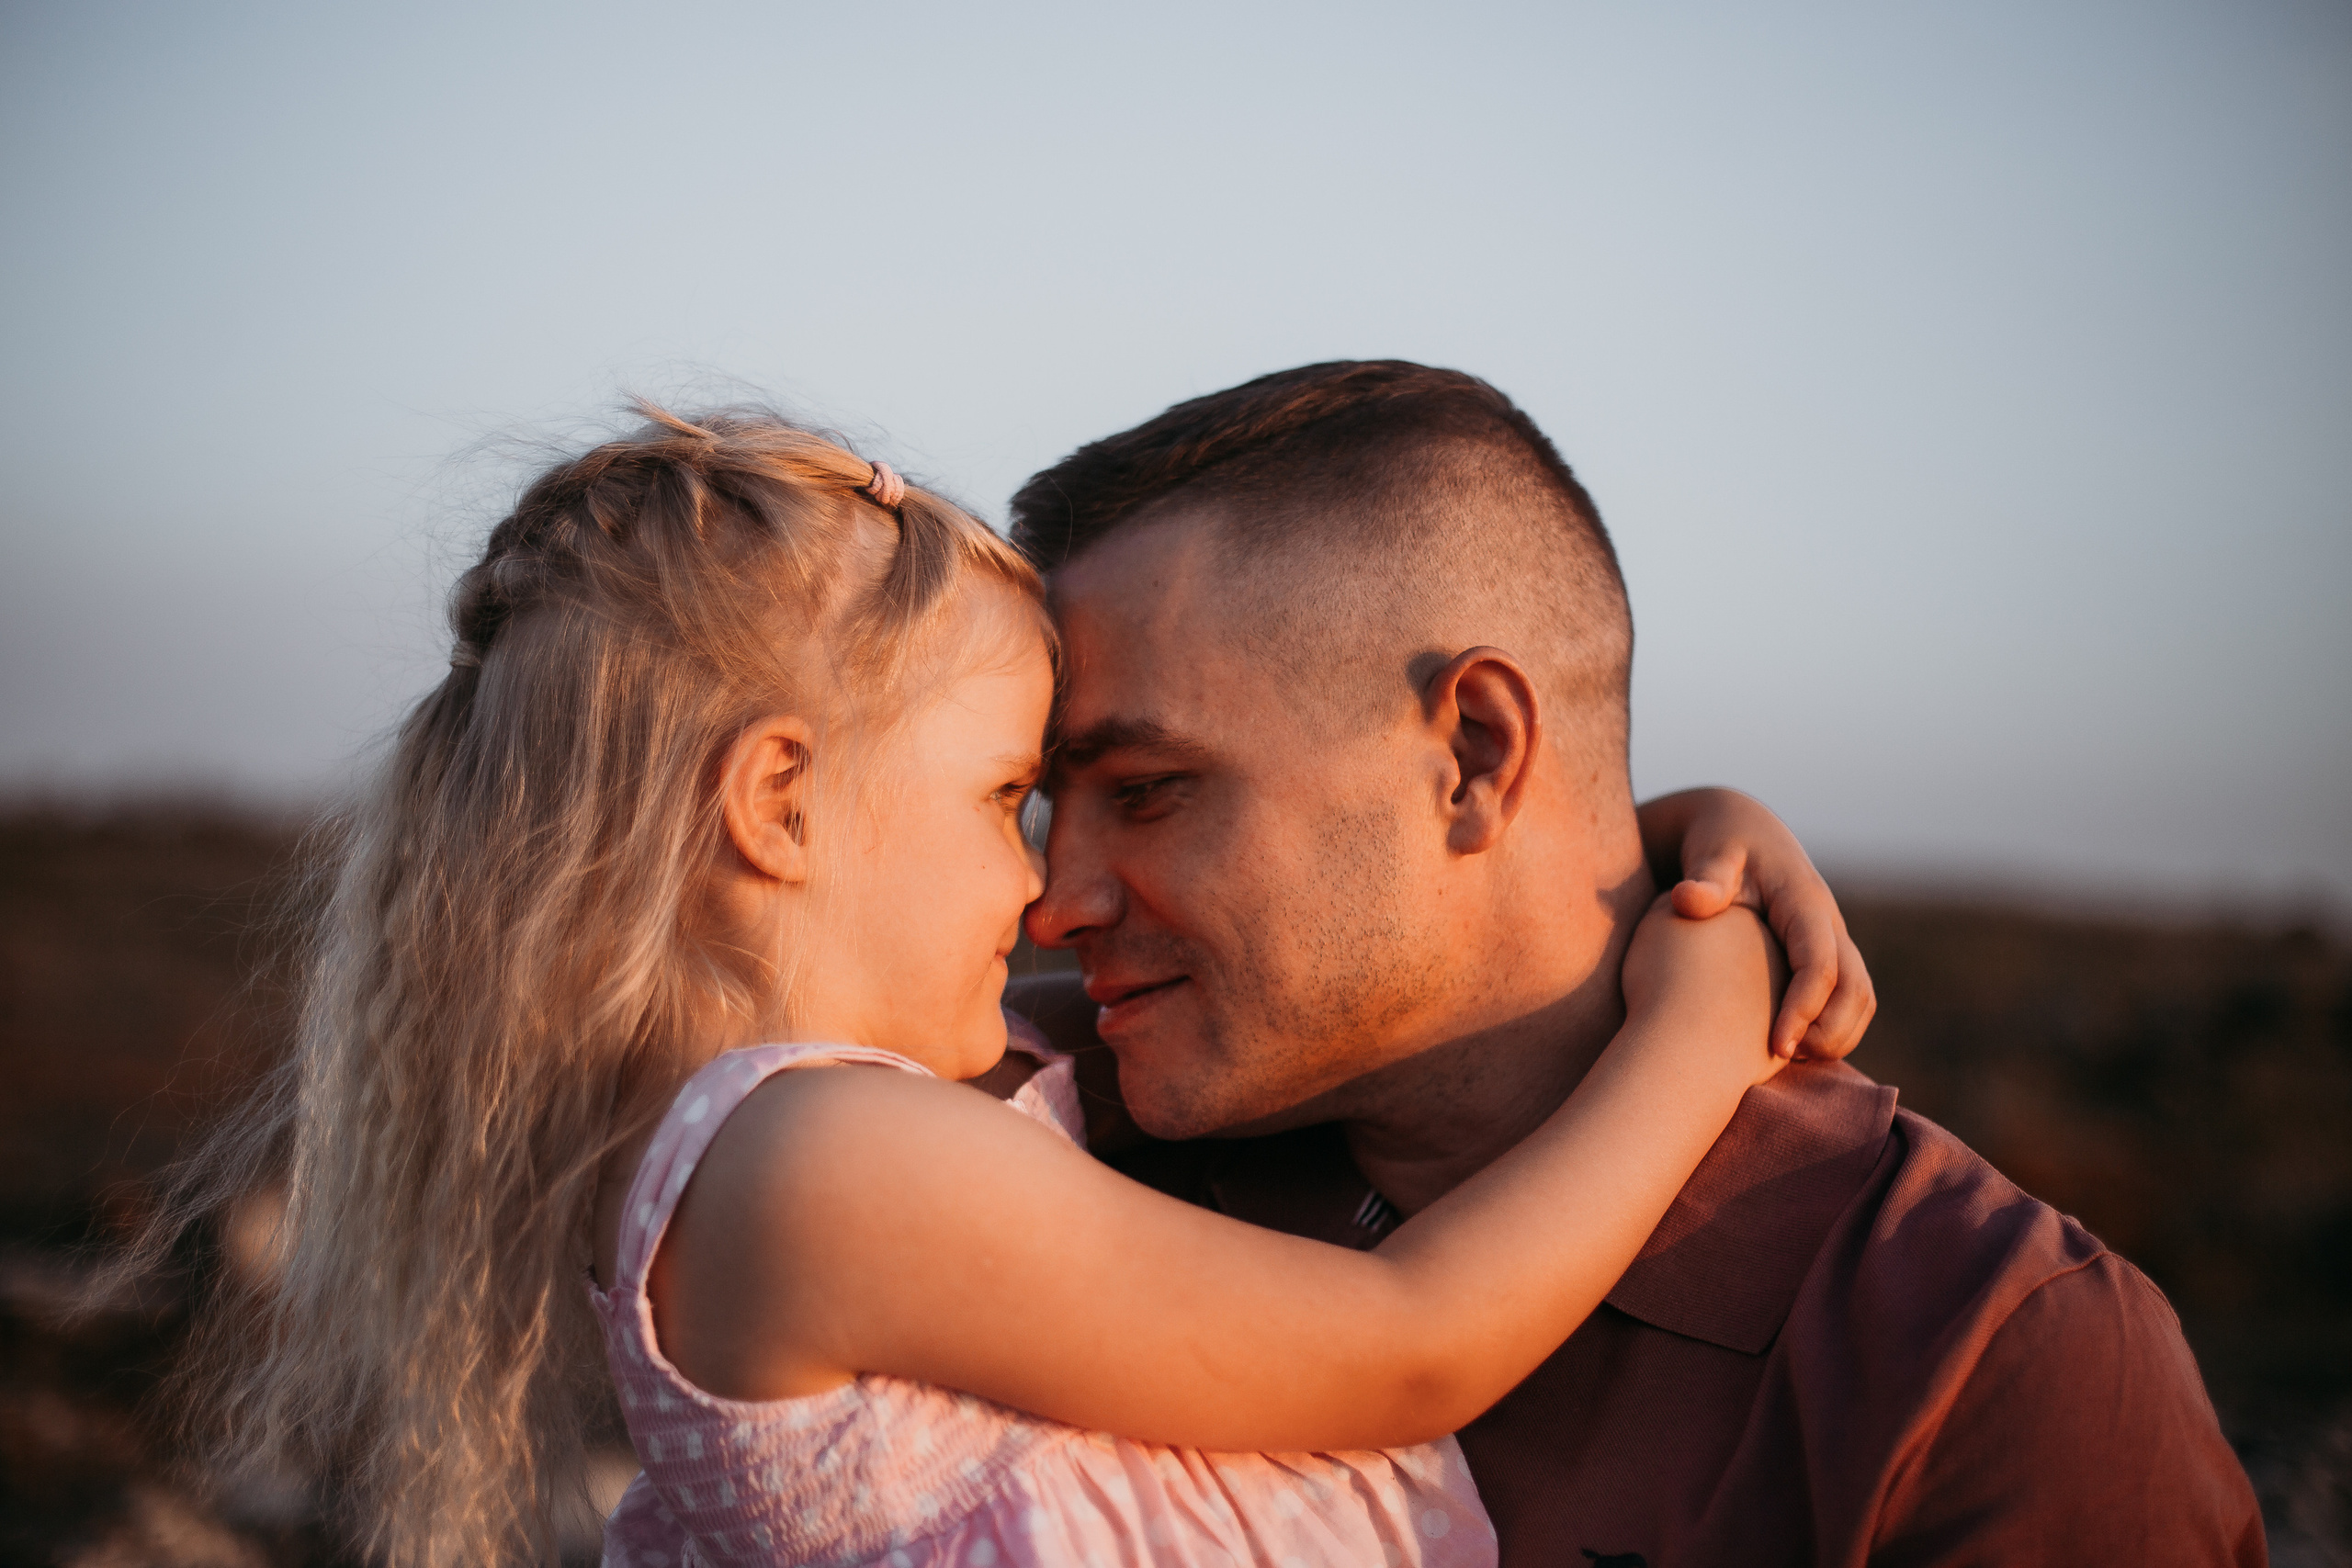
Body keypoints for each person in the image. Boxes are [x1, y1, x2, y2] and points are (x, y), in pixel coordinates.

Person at [164, 404, 1871, 1568]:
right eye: (1007, 800)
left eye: (1112, 802)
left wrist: (1649, 843)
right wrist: (1700, 1009)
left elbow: (1354, 962)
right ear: (776, 805)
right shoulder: (814, 1170)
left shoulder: (847, 1146)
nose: (1049, 891)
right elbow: (1412, 1345)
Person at [1006, 360, 2268, 1567]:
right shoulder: (1032, 1135)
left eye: (1151, 790)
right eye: (1046, 805)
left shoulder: (1979, 1358)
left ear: (1477, 758)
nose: (1055, 906)